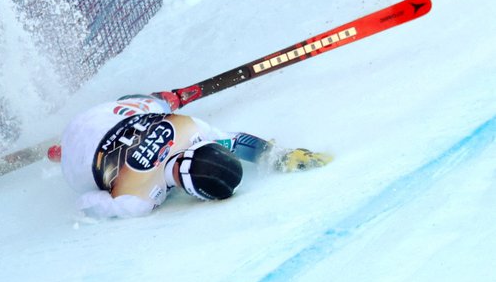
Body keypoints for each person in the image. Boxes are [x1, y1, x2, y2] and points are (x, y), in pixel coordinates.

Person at [53, 92, 331, 218]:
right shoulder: (137, 200)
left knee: (151, 105)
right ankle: (59, 153)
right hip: (74, 162)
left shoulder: (189, 127)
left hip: (103, 113)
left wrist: (278, 155)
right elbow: (86, 204)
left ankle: (158, 98)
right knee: (91, 179)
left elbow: (237, 141)